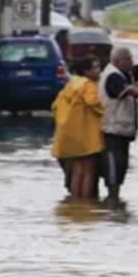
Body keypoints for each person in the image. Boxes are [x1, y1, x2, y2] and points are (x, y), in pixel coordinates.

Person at [99, 46, 138, 204]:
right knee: (114, 167)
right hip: (112, 130)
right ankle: (112, 200)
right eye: (128, 59)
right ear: (118, 61)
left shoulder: (124, 73)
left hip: (123, 131)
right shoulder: (113, 76)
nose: (132, 62)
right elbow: (131, 90)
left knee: (122, 166)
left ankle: (115, 200)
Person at [51, 55, 105, 202]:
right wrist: (104, 111)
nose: (98, 71)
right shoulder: (88, 85)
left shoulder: (71, 84)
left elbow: (55, 106)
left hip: (71, 134)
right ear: (86, 71)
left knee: (77, 170)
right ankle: (85, 204)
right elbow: (93, 102)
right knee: (88, 171)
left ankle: (75, 202)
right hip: (87, 134)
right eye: (95, 68)